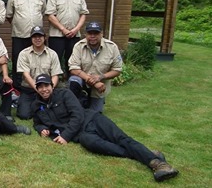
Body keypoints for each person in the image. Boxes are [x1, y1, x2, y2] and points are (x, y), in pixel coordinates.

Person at [31, 74, 179, 182]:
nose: (44, 89)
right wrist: (41, 129)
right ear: (36, 89)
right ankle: (146, 153)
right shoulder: (37, 106)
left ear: (52, 85)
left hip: (92, 119)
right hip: (82, 134)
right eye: (40, 87)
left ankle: (160, 164)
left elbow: (78, 116)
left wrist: (65, 136)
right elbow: (37, 122)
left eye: (46, 85)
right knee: (96, 145)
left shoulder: (64, 94)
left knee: (121, 139)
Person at [68, 21, 123, 112]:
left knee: (95, 114)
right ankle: (76, 102)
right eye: (90, 33)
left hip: (100, 86)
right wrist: (93, 81)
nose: (92, 36)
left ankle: (94, 100)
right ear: (86, 34)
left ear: (101, 34)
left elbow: (117, 70)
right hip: (83, 81)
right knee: (73, 80)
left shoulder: (112, 47)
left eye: (96, 33)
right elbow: (73, 68)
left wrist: (101, 77)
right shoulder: (78, 46)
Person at [6, 0, 47, 88]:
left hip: (36, 37)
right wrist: (19, 24)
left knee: (36, 61)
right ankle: (16, 88)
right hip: (19, 35)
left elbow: (43, 12)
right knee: (17, 62)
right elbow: (9, 15)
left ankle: (35, 85)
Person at [46, 0, 89, 76]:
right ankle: (53, 83)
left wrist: (76, 29)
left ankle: (71, 83)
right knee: (54, 60)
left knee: (73, 61)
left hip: (74, 35)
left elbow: (83, 14)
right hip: (57, 35)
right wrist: (63, 29)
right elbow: (50, 15)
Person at [16, 26, 62, 120]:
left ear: (44, 37)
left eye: (40, 36)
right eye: (34, 36)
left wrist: (49, 89)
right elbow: (26, 75)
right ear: (31, 38)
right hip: (29, 90)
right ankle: (37, 107)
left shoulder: (52, 54)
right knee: (24, 115)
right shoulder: (23, 54)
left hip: (48, 90)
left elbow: (55, 74)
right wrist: (39, 90)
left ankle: (40, 106)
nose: (37, 39)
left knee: (59, 112)